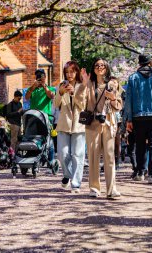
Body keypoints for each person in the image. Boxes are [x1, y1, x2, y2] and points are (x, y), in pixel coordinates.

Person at [78, 58, 122, 199]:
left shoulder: (113, 84)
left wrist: (113, 98)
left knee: (109, 157)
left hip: (108, 123)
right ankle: (94, 188)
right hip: (92, 124)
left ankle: (111, 189)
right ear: (94, 68)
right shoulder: (89, 84)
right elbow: (79, 100)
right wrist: (83, 84)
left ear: (107, 67)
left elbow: (119, 106)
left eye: (102, 65)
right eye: (97, 65)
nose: (100, 67)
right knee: (93, 157)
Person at [124, 54, 152, 184]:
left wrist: (129, 119)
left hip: (138, 117)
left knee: (140, 146)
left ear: (139, 63)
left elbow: (128, 101)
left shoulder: (133, 78)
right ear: (150, 63)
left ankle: (140, 172)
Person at [54, 61, 86, 193]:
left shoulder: (82, 86)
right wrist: (60, 93)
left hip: (79, 125)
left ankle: (76, 184)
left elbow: (84, 105)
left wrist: (74, 93)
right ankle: (67, 174)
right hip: (64, 124)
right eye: (67, 72)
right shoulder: (60, 86)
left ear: (77, 72)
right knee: (62, 154)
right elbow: (56, 105)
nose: (69, 74)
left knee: (77, 155)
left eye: (72, 71)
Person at [25, 68, 58, 171]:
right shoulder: (32, 88)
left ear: (45, 77)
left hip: (46, 118)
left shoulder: (50, 88)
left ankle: (51, 161)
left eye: (41, 76)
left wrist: (44, 87)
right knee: (32, 138)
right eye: (37, 76)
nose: (39, 78)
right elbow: (26, 97)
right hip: (33, 117)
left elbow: (52, 96)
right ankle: (32, 160)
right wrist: (32, 87)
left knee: (48, 140)